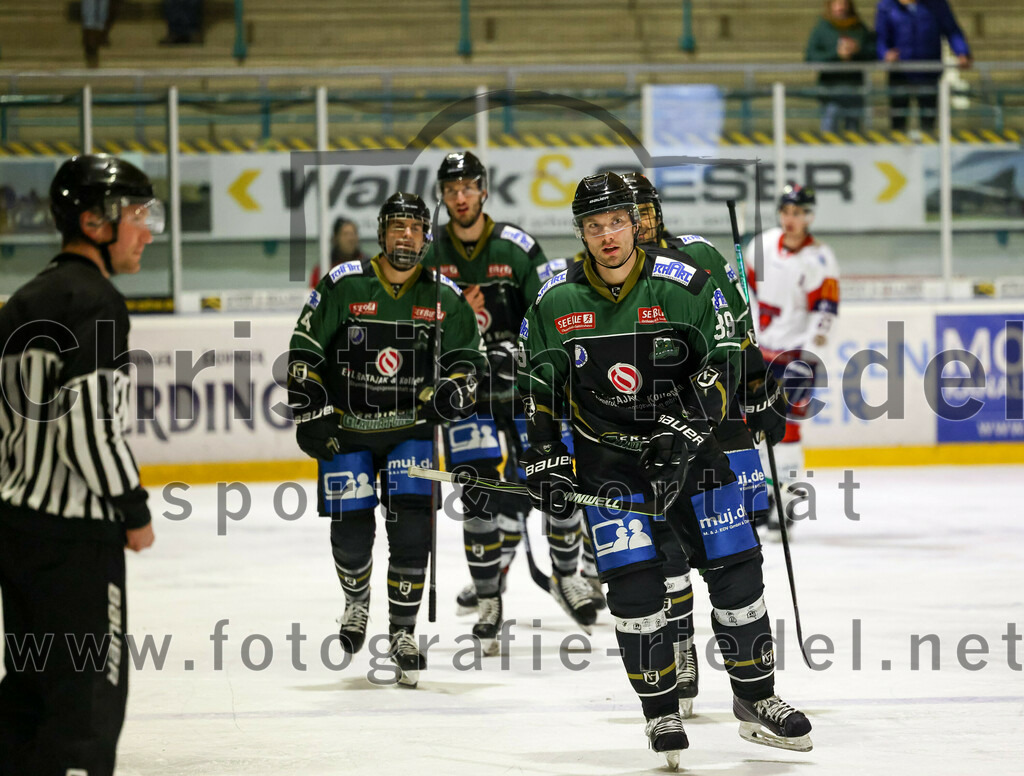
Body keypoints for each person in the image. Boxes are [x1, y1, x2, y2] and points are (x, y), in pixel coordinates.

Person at [516, 172, 811, 766]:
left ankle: (757, 701)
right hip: (610, 467)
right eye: (594, 226)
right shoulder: (555, 300)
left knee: (737, 573)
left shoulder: (685, 283)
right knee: (635, 588)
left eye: (617, 222)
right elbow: (535, 387)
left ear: (637, 223)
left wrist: (685, 435)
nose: (607, 236)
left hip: (693, 453)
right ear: (581, 232)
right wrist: (544, 455)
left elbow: (725, 361)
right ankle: (661, 713)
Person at [0, 154, 160, 775]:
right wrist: (133, 508)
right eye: (138, 216)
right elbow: (89, 426)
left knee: (29, 694)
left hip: (17, 527)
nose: (146, 231)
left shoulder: (24, 299)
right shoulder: (95, 301)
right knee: (87, 704)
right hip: (74, 541)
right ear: (96, 221)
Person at [287, 192, 487, 686]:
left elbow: (470, 363)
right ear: (381, 234)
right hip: (347, 432)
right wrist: (311, 408)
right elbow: (303, 351)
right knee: (351, 538)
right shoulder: (343, 284)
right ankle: (356, 601)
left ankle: (402, 631)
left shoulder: (444, 297)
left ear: (426, 238)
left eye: (416, 228)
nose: (406, 235)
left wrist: (455, 392)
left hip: (410, 432)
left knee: (412, 533)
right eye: (397, 226)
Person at [619, 171, 785, 717]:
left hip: (716, 422)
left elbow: (738, 332)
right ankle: (681, 645)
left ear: (656, 210)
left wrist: (759, 391)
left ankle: (750, 681)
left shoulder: (699, 256)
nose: (636, 221)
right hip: (655, 431)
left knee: (731, 542)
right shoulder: (611, 275)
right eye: (626, 212)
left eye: (642, 209)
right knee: (664, 547)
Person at [422, 151, 597, 643]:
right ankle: (489, 596)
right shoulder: (429, 253)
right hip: (466, 394)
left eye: (468, 187)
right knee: (478, 493)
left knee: (555, 481)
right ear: (443, 195)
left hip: (523, 390)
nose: (460, 197)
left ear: (483, 190)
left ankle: (568, 575)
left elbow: (547, 308)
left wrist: (519, 351)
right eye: (451, 188)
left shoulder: (516, 247)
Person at [744, 183, 841, 534]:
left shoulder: (820, 260)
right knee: (752, 428)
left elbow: (825, 314)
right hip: (757, 354)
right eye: (786, 211)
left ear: (809, 216)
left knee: (787, 430)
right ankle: (763, 497)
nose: (791, 218)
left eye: (798, 213)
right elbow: (746, 293)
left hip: (795, 358)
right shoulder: (762, 245)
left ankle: (787, 499)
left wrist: (811, 357)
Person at [875, 0, 971, 132]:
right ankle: (898, 149)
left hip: (928, 71)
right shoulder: (887, 6)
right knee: (898, 119)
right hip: (900, 73)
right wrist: (885, 53)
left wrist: (962, 52)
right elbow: (881, 37)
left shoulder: (937, 4)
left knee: (928, 119)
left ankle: (930, 146)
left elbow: (952, 30)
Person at [805, 0, 876, 133]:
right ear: (830, 6)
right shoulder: (822, 28)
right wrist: (836, 54)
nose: (840, 8)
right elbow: (811, 57)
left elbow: (873, 53)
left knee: (853, 131)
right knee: (829, 127)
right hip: (830, 90)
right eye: (837, 4)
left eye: (843, 4)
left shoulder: (858, 28)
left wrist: (857, 50)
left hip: (854, 89)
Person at [310, 217, 365, 288]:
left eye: (353, 234)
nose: (351, 238)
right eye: (346, 234)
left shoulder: (368, 266)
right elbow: (314, 295)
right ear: (335, 238)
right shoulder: (323, 269)